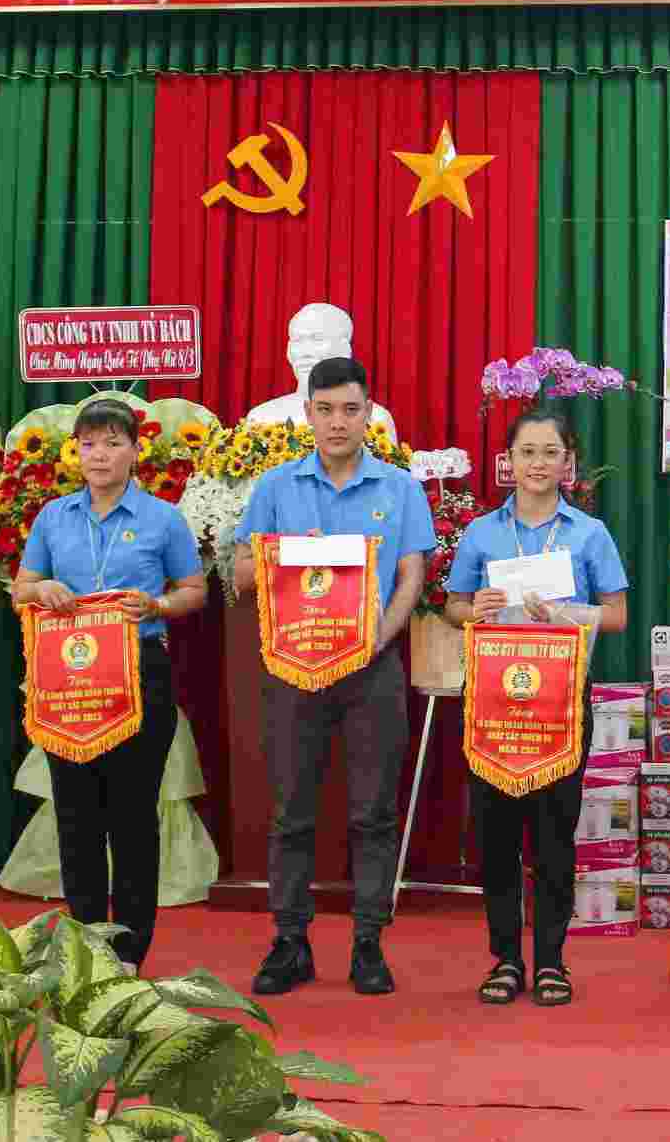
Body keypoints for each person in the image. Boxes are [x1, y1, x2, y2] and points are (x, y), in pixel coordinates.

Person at [233, 357, 435, 997]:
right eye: (326, 410)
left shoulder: (400, 488)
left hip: (372, 668)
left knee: (373, 813)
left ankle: (369, 944)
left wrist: (379, 637)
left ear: (369, 414)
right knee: (292, 813)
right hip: (295, 669)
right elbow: (240, 575)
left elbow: (412, 576)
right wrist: (286, 556)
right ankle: (289, 943)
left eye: (351, 409)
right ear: (309, 414)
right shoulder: (275, 488)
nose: (338, 422)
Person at [10, 397, 208, 971]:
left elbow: (193, 591)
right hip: (66, 678)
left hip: (138, 673)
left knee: (131, 816)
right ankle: (86, 943)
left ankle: (130, 950)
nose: (100, 455)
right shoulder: (53, 517)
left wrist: (158, 603)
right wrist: (40, 591)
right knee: (75, 815)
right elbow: (20, 587)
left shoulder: (162, 518)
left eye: (113, 443)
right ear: (76, 451)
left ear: (135, 452)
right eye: (89, 444)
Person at [444, 410, 629, 1008]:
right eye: (528, 452)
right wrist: (478, 609)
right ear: (509, 461)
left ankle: (551, 961)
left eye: (551, 452)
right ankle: (504, 959)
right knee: (497, 836)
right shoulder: (480, 532)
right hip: (495, 700)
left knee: (554, 836)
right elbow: (453, 608)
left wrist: (569, 614)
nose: (539, 464)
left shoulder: (589, 533)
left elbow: (619, 614)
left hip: (559, 700)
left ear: (567, 462)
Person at [244, 303, 398, 436]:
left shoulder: (375, 420)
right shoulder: (262, 418)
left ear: (345, 349)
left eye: (317, 339)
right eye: (297, 341)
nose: (305, 352)